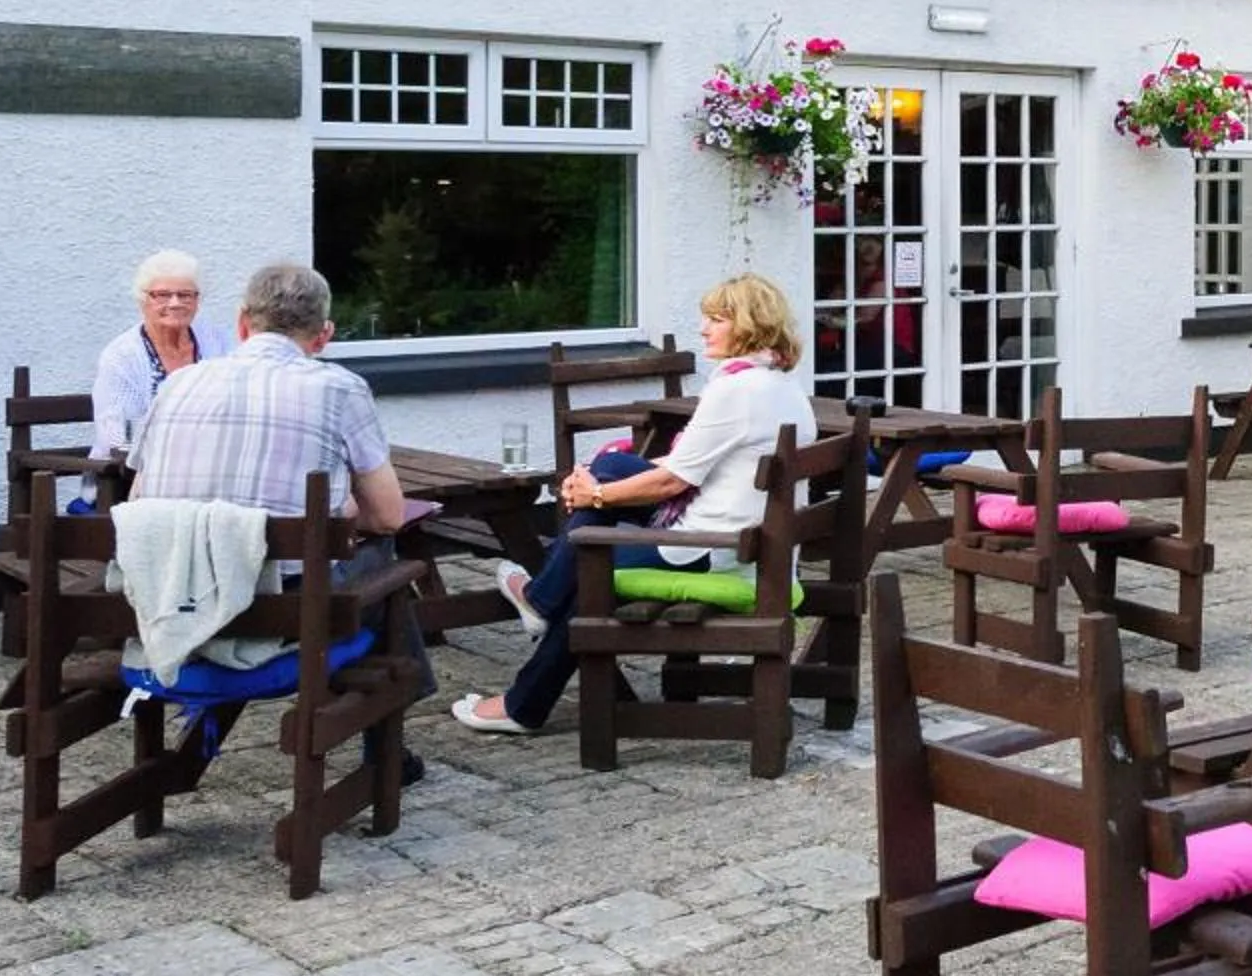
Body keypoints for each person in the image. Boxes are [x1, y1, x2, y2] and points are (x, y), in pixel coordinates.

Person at [453, 274, 817, 735]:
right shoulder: (781, 384)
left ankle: (524, 698)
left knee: (589, 567)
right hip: (752, 540)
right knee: (615, 465)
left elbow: (671, 483)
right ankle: (542, 602)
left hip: (712, 548)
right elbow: (689, 464)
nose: (704, 329)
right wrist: (601, 480)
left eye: (717, 319)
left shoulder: (735, 392)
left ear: (749, 325)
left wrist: (596, 496)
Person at [124, 260, 431, 780]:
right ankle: (387, 748)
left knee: (342, 565)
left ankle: (186, 759)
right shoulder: (340, 388)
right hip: (284, 615)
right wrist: (344, 512)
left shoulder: (177, 385)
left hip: (171, 601)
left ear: (243, 323)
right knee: (383, 565)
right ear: (324, 335)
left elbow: (138, 506)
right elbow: (388, 515)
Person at [91, 248, 236, 464]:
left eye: (185, 295)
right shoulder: (121, 356)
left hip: (212, 463)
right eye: (163, 295)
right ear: (143, 300)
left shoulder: (218, 341)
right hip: (130, 474)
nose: (175, 303)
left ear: (197, 301)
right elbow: (117, 437)